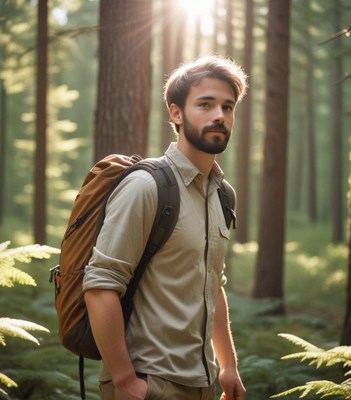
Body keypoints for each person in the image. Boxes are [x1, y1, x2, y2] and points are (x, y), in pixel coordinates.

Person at [83, 55, 248, 400]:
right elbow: (100, 285)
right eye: (205, 104)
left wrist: (228, 366)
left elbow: (211, 284)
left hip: (202, 385)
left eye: (227, 107)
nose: (220, 115)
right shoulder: (147, 186)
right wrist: (125, 380)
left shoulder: (221, 195)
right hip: (149, 383)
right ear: (176, 113)